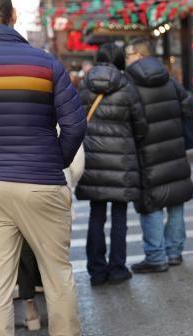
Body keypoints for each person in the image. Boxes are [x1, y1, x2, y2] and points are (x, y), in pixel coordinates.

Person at [0, 0, 89, 336]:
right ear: (13, 15)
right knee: (56, 270)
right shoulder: (45, 63)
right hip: (40, 180)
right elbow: (74, 124)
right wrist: (53, 161)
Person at [76, 43, 148, 286]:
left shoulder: (84, 85)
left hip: (93, 159)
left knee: (96, 214)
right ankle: (117, 268)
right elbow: (140, 124)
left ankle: (96, 270)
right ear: (119, 60)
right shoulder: (126, 85)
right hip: (122, 159)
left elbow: (74, 120)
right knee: (119, 216)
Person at [124, 38, 193, 273]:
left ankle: (156, 257)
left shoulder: (129, 83)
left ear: (138, 55)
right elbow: (191, 109)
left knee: (151, 203)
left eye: (128, 55)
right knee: (175, 200)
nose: (126, 59)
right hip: (174, 150)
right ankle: (174, 252)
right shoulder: (170, 79)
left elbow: (130, 119)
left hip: (146, 153)